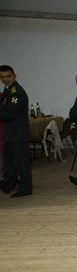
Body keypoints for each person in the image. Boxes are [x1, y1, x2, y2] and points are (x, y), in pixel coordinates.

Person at [0, 64, 32, 198]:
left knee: (21, 163)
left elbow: (9, 114)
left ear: (14, 76)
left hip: (18, 134)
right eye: (2, 77)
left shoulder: (16, 93)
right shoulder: (8, 90)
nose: (5, 79)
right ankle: (9, 183)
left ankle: (25, 188)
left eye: (8, 76)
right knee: (9, 162)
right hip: (11, 133)